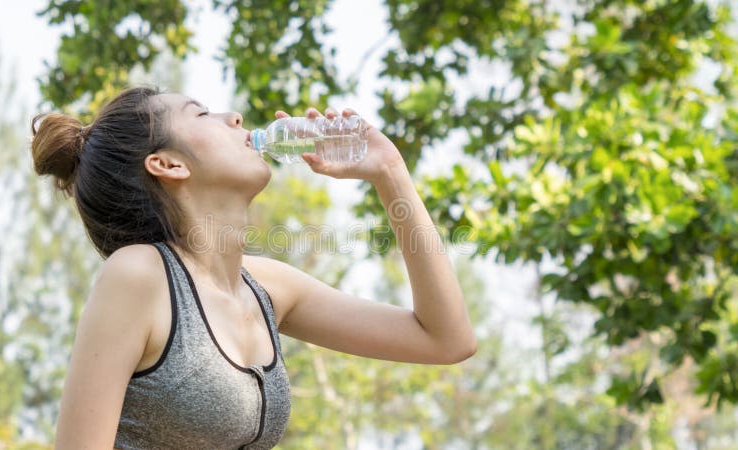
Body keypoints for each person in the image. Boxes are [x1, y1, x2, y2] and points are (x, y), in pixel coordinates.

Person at [30, 86, 477, 449]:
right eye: (201, 114)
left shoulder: (267, 288)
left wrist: (390, 172)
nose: (235, 118)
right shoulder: (138, 276)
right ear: (167, 164)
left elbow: (445, 339)